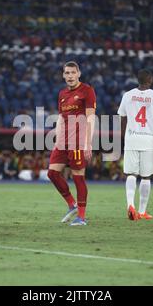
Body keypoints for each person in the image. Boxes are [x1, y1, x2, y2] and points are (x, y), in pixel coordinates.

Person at [47, 61, 96, 226]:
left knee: (78, 177)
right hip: (63, 141)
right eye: (67, 73)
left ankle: (81, 217)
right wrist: (57, 140)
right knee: (52, 173)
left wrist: (88, 143)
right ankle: (71, 204)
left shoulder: (87, 91)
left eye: (73, 73)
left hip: (78, 141)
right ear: (63, 75)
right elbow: (61, 119)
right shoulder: (62, 94)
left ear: (79, 74)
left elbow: (90, 117)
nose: (70, 76)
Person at [118, 68, 153, 221]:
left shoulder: (127, 95)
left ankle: (130, 205)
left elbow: (121, 119)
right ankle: (141, 211)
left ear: (137, 79)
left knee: (131, 174)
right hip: (148, 139)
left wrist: (122, 137)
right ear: (151, 80)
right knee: (146, 176)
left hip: (131, 138)